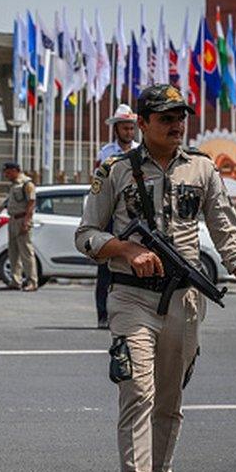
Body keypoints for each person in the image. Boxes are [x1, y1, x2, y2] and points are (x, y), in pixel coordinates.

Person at [74, 85, 236, 472]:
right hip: (131, 297)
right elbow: (85, 235)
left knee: (170, 399)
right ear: (142, 124)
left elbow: (225, 230)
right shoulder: (115, 170)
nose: (176, 124)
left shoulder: (202, 168)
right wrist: (123, 248)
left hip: (185, 300)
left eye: (180, 116)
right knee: (137, 392)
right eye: (165, 117)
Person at [94, 104, 140, 329]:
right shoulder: (105, 153)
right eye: (125, 128)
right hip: (111, 213)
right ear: (117, 129)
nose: (129, 133)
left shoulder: (142, 150)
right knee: (105, 266)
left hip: (134, 215)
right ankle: (103, 314)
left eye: (131, 128)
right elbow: (96, 185)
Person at [0, 162, 37, 291]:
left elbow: (31, 203)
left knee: (26, 252)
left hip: (22, 219)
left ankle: (32, 281)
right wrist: (2, 207)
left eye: (8, 172)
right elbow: (11, 200)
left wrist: (27, 221)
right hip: (13, 219)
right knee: (13, 251)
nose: (6, 175)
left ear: (15, 170)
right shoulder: (14, 185)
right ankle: (15, 280)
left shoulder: (27, 183)